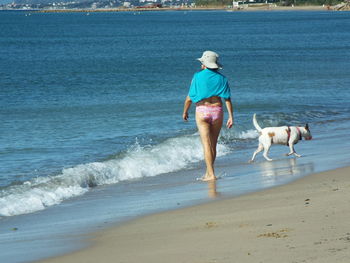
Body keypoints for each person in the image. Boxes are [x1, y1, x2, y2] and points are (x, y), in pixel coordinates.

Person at [183, 51, 234, 181]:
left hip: (202, 111)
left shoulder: (197, 76)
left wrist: (185, 111)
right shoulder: (222, 78)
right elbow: (227, 99)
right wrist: (231, 117)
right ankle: (209, 172)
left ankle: (211, 175)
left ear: (204, 64)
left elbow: (189, 98)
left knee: (206, 144)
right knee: (213, 144)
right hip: (217, 110)